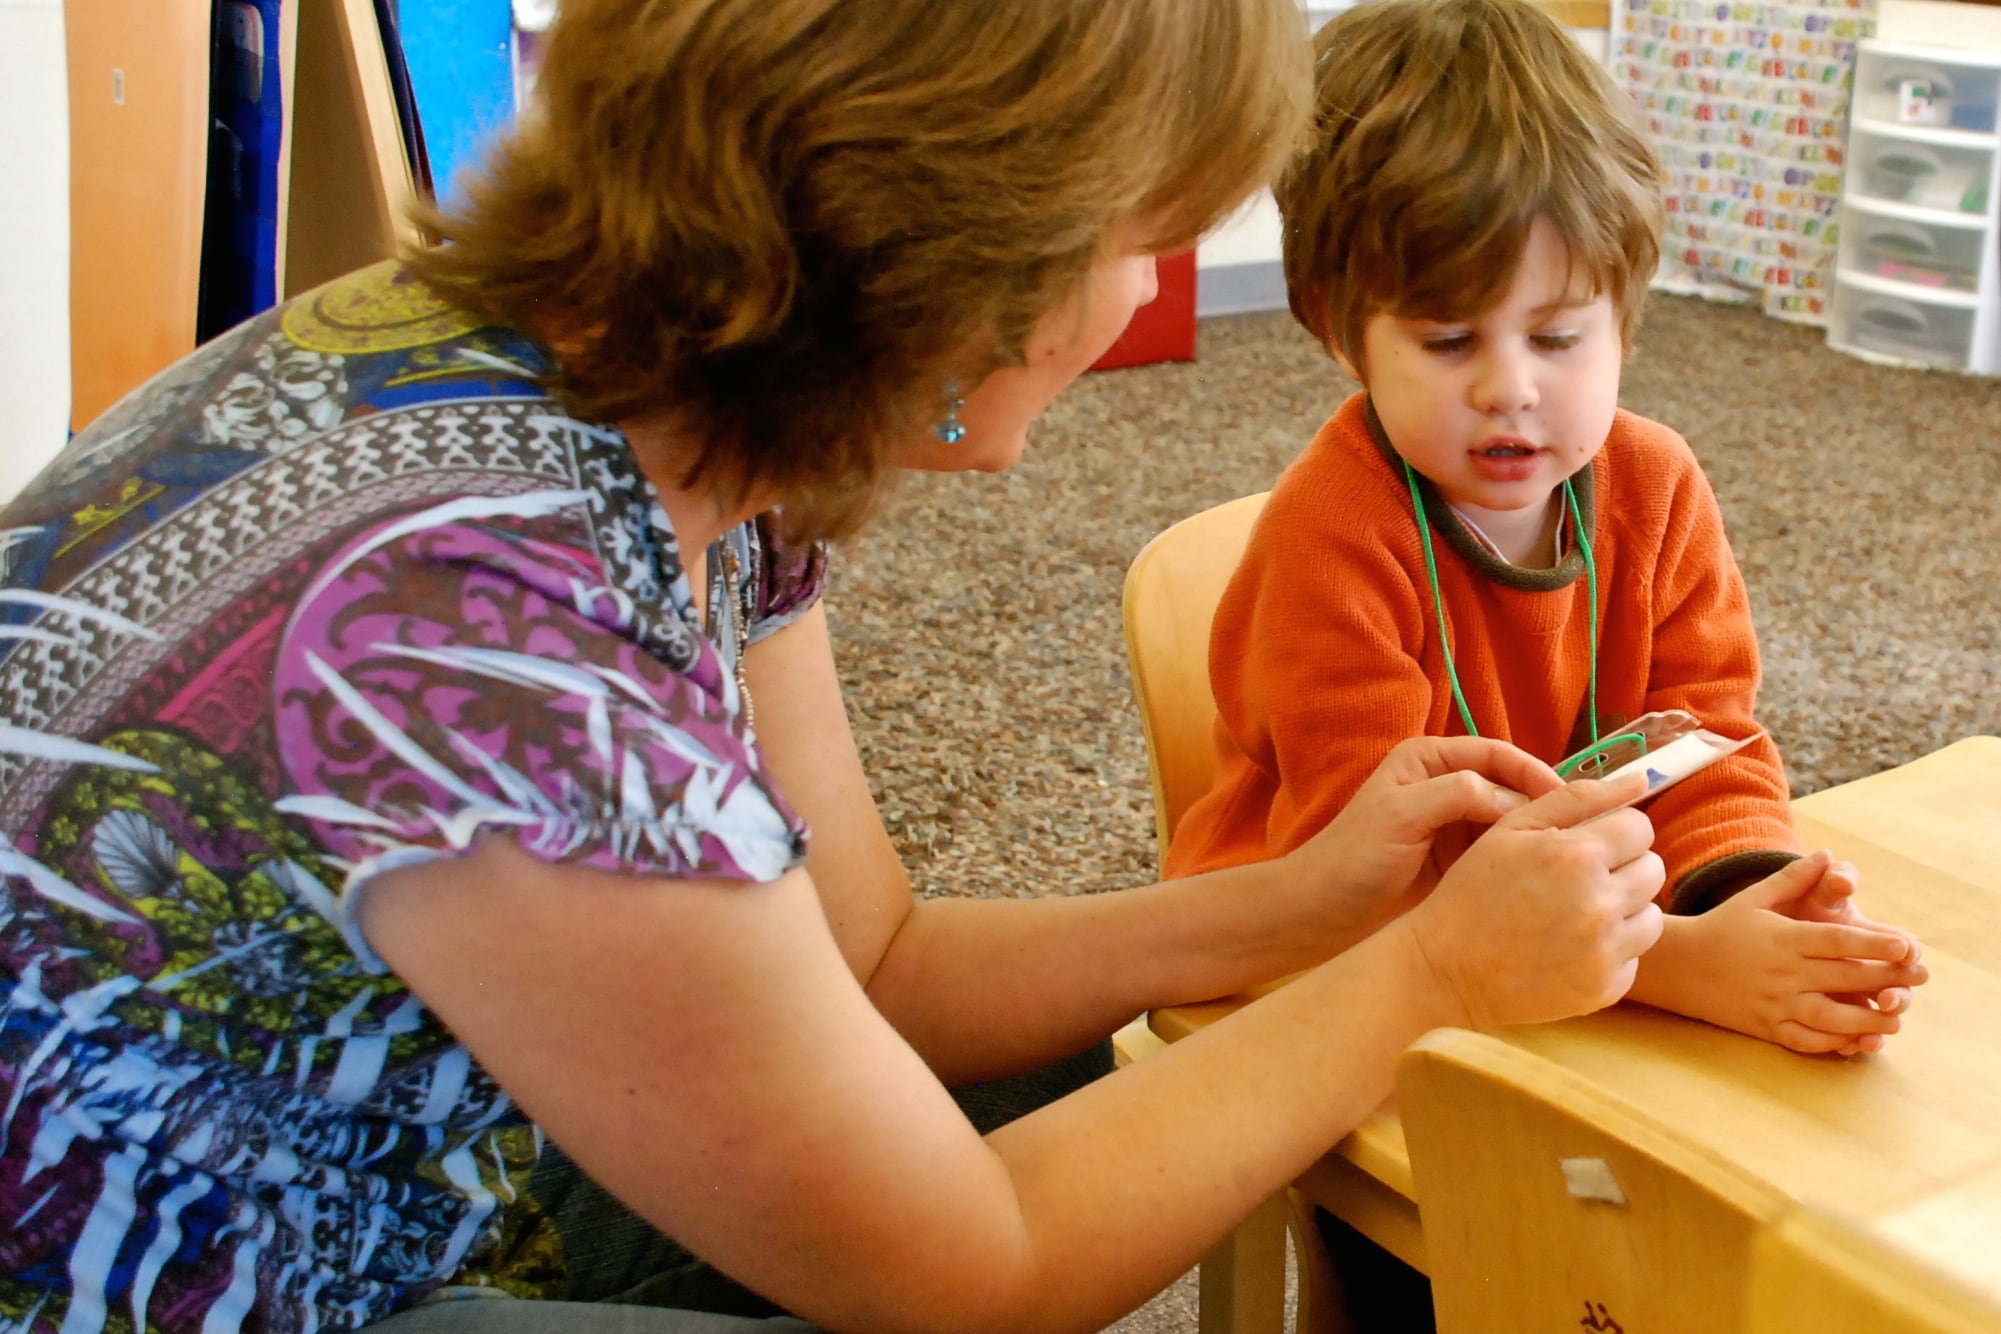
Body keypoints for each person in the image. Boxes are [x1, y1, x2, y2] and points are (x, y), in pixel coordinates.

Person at [0, 2, 1687, 1333]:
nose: (1141, 295)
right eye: (1134, 236)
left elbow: (870, 957)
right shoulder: (496, 630)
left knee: (1054, 1070)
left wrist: (1299, 905)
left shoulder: (655, 411)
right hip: (192, 1283)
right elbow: (977, 1267)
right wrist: (1425, 977)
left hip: (386, 1123)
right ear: (949, 251)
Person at [1166, 0, 1928, 1061]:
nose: (1510, 389)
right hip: (1322, 955)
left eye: (1559, 335)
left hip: (1575, 923)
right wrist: (1680, 961)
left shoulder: (1653, 483)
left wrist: (1753, 890)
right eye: (1447, 339)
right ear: (1340, 329)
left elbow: (1703, 736)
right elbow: (1367, 874)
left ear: (1625, 315)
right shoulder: (1332, 537)